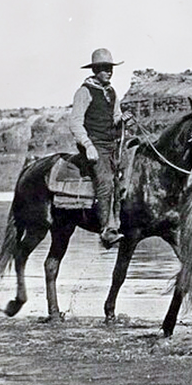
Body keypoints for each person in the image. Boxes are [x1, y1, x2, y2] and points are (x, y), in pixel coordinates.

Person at [66, 47, 125, 248]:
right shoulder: (84, 92)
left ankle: (124, 219)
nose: (109, 72)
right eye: (104, 68)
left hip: (112, 145)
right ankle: (106, 229)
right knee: (106, 180)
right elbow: (75, 122)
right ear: (95, 70)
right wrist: (88, 145)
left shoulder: (111, 92)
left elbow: (115, 116)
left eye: (110, 68)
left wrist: (122, 119)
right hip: (94, 146)